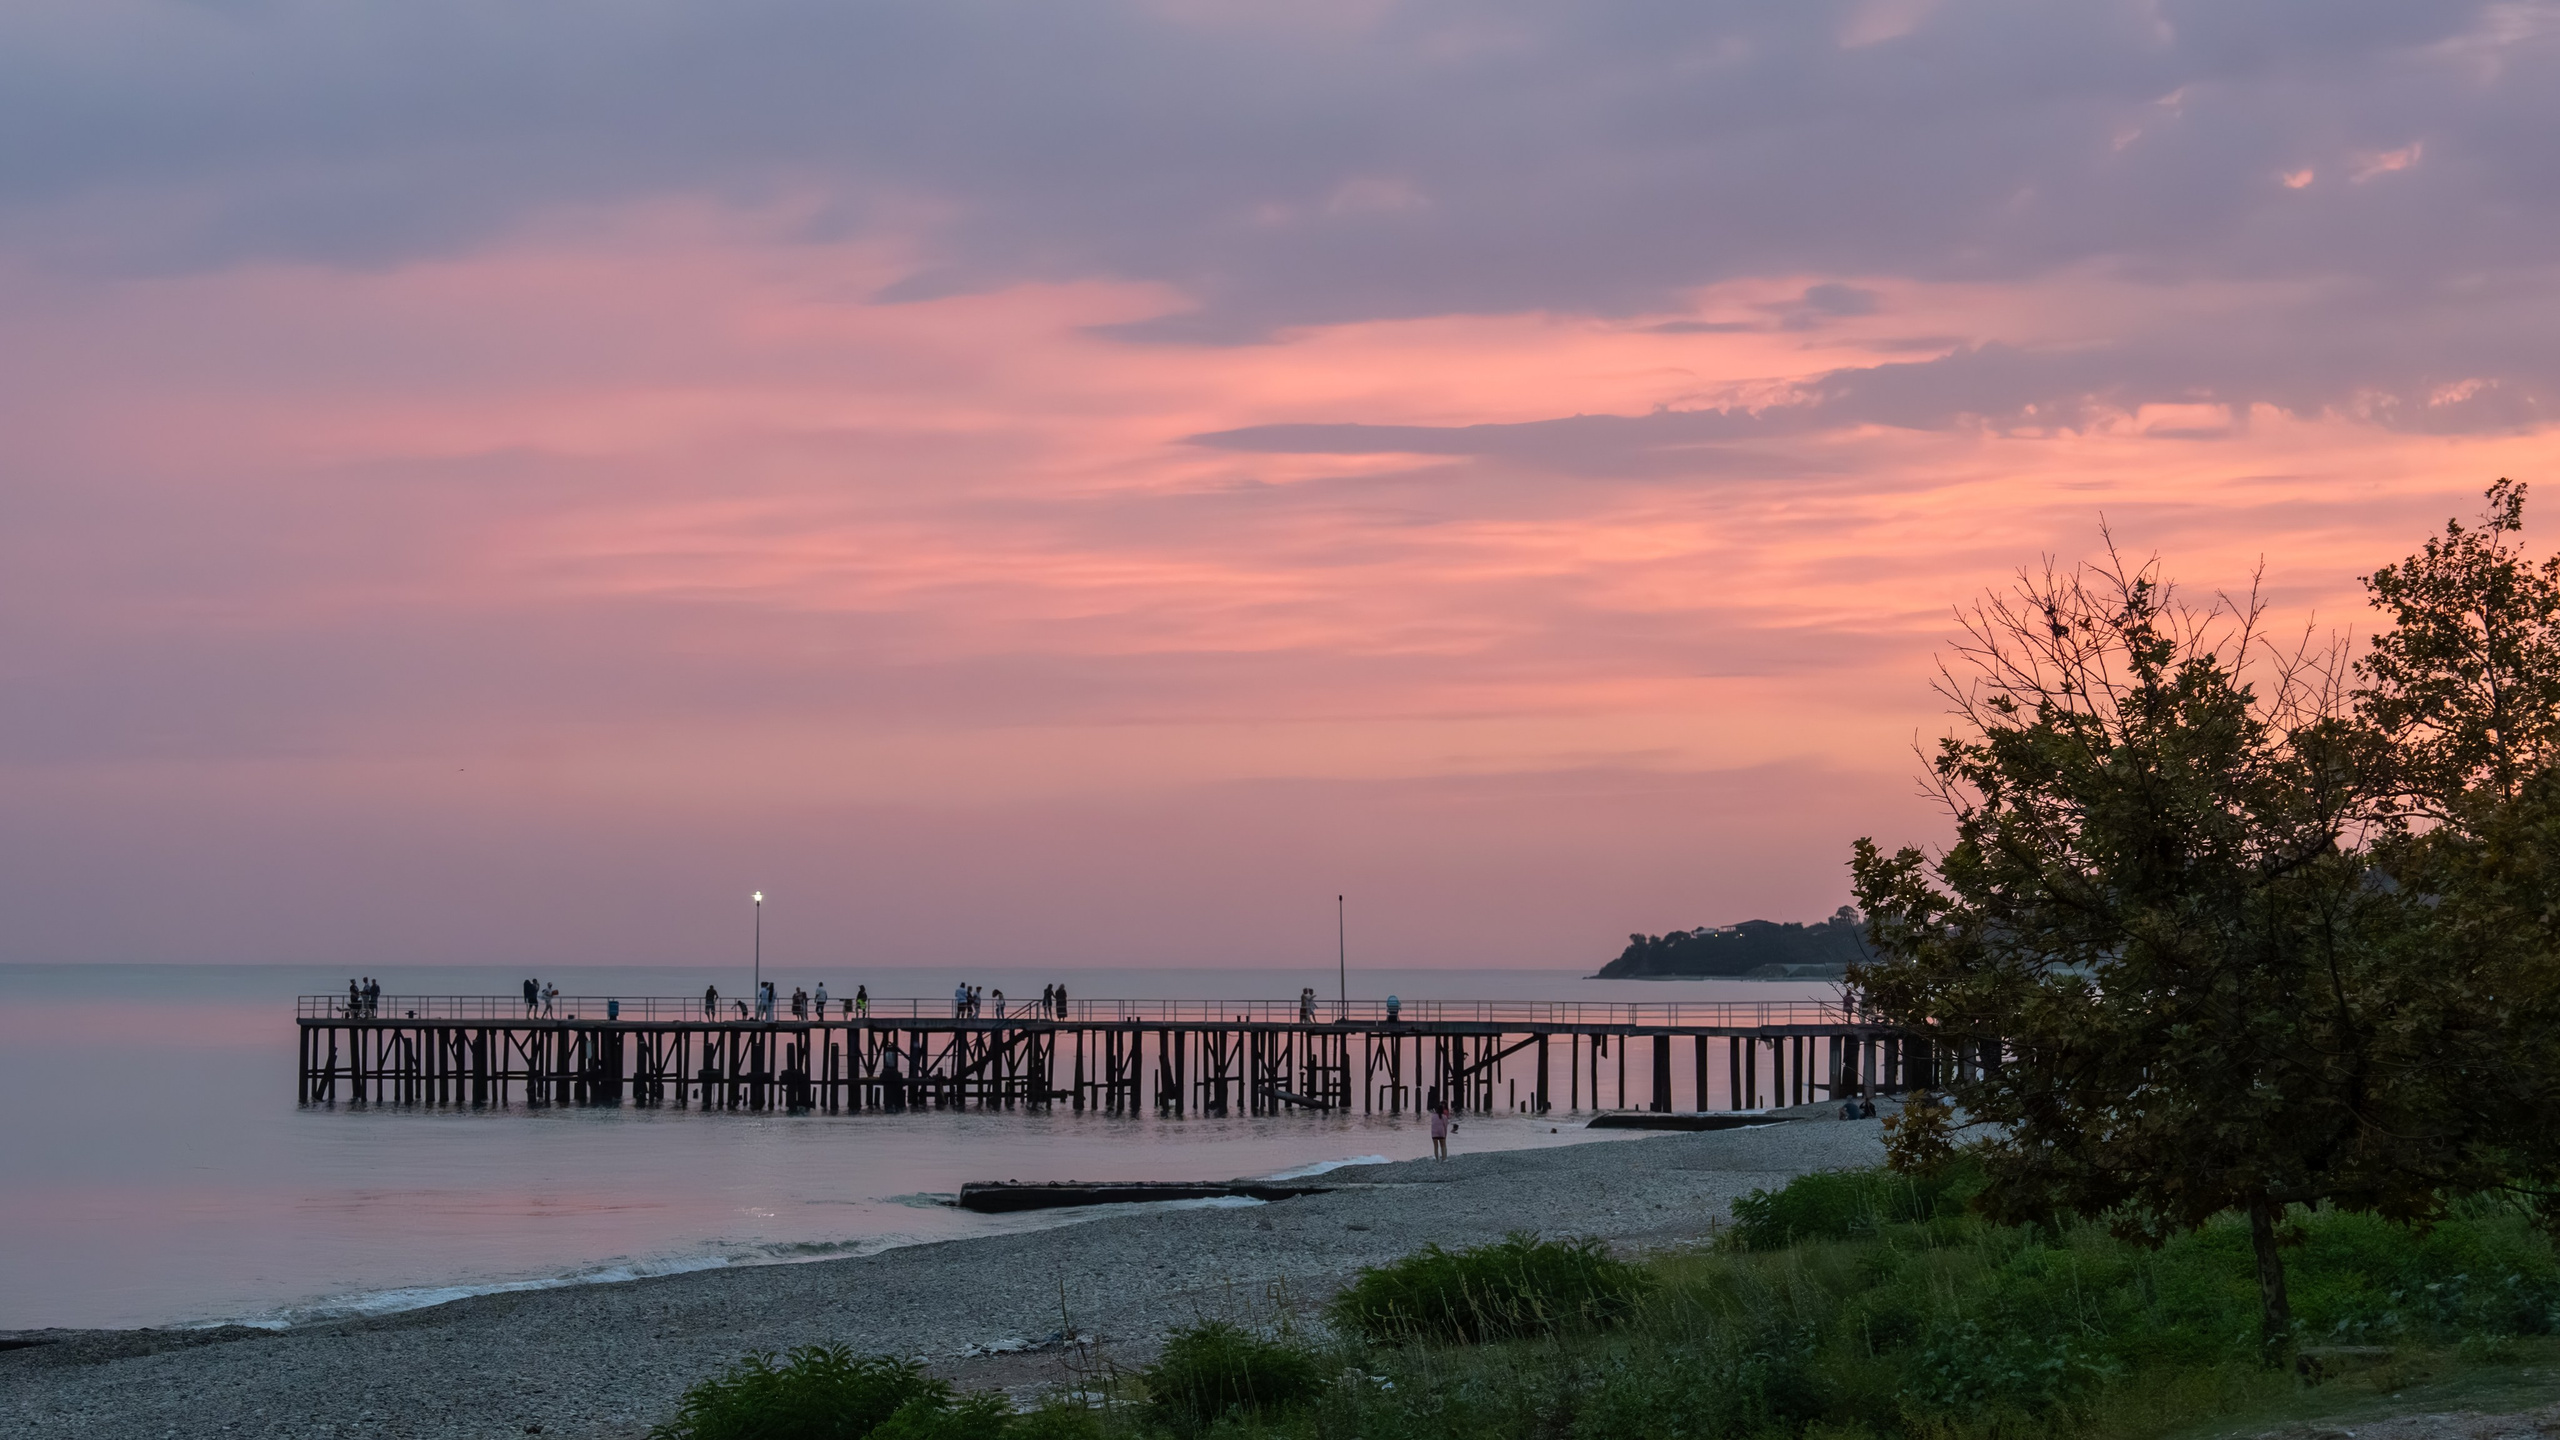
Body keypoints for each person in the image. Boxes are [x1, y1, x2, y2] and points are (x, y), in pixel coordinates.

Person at [1428, 1088, 1450, 1160]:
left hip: (1434, 1134)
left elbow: (1433, 1124)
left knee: (1435, 1147)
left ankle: (1437, 1159)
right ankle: (1444, 1158)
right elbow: (1445, 1126)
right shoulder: (1444, 1116)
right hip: (1441, 1133)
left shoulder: (1433, 1116)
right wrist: (1445, 1135)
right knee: (1443, 1145)